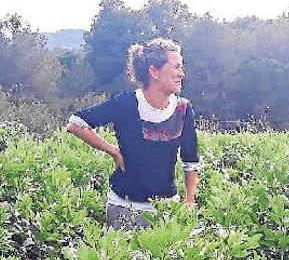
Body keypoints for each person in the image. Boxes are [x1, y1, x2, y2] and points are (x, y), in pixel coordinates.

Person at [66, 38, 199, 229]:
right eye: (176, 67)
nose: (181, 74)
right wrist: (113, 151)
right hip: (124, 207)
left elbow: (190, 160)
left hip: (165, 210)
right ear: (154, 71)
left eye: (181, 68)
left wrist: (189, 200)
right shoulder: (126, 104)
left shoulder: (183, 109)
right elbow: (76, 123)